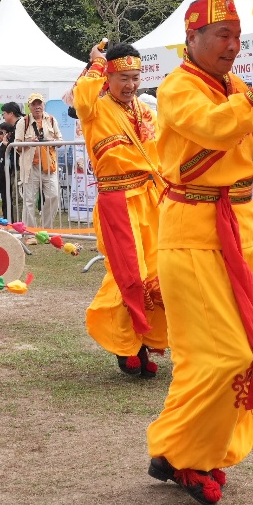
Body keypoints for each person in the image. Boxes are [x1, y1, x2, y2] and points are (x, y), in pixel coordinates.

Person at [145, 0, 253, 505]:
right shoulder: (178, 88)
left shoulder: (236, 87)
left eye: (237, 37)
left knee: (248, 346)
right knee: (221, 355)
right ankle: (188, 455)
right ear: (191, 39)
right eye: (222, 36)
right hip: (193, 231)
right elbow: (216, 127)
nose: (233, 46)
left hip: (239, 227)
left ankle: (179, 448)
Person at [73, 41, 167, 378]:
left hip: (150, 197)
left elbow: (163, 153)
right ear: (108, 78)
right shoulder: (94, 110)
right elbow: (80, 97)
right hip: (117, 200)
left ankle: (147, 341)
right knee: (131, 275)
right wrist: (96, 63)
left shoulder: (146, 113)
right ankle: (128, 348)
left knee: (158, 274)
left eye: (135, 77)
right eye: (123, 78)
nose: (130, 85)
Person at [15, 95, 62, 230]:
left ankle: (46, 230)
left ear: (43, 105)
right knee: (29, 200)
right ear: (29, 107)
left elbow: (60, 140)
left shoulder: (52, 120)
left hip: (49, 167)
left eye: (39, 103)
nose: (37, 107)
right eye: (34, 104)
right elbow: (16, 146)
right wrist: (28, 142)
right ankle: (31, 232)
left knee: (54, 196)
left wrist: (54, 142)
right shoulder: (22, 122)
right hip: (30, 167)